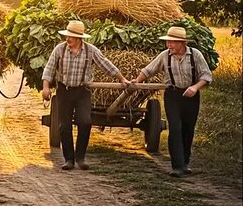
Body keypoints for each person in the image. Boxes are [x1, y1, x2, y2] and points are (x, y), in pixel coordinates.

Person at [42, 20, 130, 171]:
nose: (67, 39)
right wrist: (46, 87)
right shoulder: (59, 50)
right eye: (67, 36)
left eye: (71, 36)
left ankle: (80, 157)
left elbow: (106, 65)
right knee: (64, 126)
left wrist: (122, 79)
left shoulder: (91, 51)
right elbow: (49, 69)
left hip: (83, 92)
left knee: (85, 122)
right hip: (64, 90)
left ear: (79, 38)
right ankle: (69, 159)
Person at [131, 26, 211, 177]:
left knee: (188, 129)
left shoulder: (195, 55)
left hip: (191, 96)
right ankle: (177, 167)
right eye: (168, 42)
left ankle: (185, 163)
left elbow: (206, 76)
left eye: (172, 42)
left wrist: (195, 87)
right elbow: (148, 70)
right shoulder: (164, 56)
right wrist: (137, 80)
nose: (169, 45)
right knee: (175, 128)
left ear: (182, 43)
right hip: (172, 95)